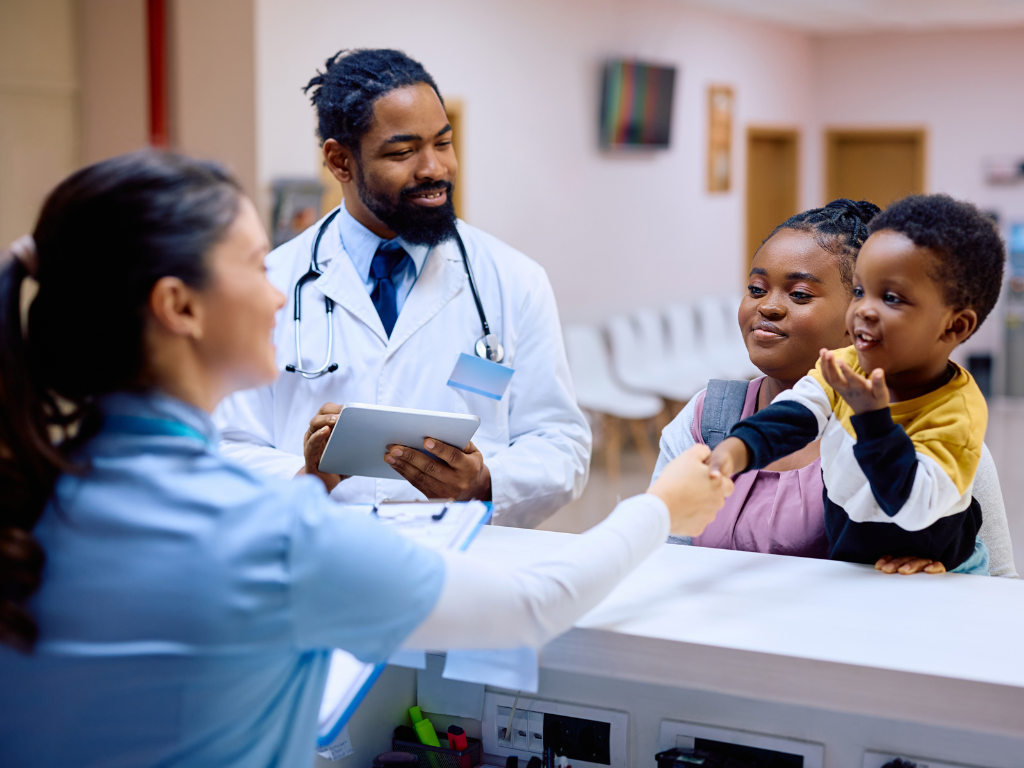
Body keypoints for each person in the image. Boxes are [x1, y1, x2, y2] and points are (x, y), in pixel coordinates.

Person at [0, 151, 732, 767]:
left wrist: (335, 482)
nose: (279, 290)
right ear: (179, 307)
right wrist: (659, 507)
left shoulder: (30, 498)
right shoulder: (266, 528)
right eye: (256, 265)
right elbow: (528, 608)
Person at [213, 49, 589, 528]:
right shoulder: (271, 283)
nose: (435, 169)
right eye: (402, 151)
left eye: (444, 143)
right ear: (340, 161)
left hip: (465, 564)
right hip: (321, 555)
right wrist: (304, 477)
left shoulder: (513, 280)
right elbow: (227, 445)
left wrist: (484, 482)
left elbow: (561, 443)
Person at [654, 199, 1016, 577]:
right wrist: (736, 448)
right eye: (757, 289)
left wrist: (873, 421)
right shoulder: (706, 417)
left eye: (800, 294)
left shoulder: (948, 416)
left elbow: (991, 575)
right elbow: (794, 415)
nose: (768, 307)